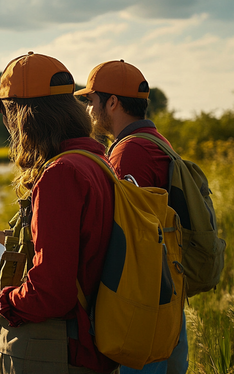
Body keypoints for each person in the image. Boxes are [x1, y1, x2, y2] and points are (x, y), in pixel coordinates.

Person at [0, 52, 119, 374]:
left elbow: (49, 294)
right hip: (79, 342)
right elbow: (66, 245)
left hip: (50, 349)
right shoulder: (94, 162)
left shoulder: (61, 174)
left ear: (19, 114)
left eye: (4, 114)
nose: (7, 127)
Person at [74, 60, 189, 374]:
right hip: (165, 297)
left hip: (143, 307)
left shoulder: (129, 152)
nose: (87, 109)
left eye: (90, 101)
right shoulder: (156, 141)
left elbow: (124, 235)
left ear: (111, 103)